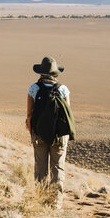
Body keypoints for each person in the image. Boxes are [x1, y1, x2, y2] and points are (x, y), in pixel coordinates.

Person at [26, 56, 75, 209]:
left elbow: (29, 114)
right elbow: (67, 114)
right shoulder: (63, 89)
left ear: (40, 72)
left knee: (40, 168)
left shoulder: (33, 88)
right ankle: (55, 204)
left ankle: (40, 201)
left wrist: (32, 130)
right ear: (55, 73)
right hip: (59, 136)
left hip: (39, 134)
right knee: (58, 167)